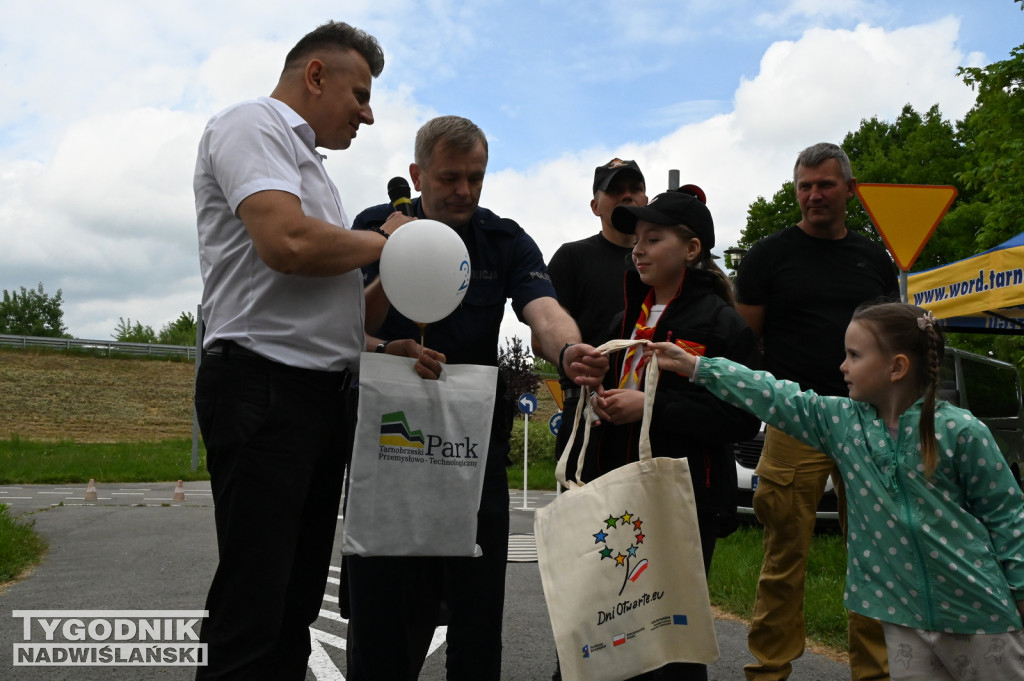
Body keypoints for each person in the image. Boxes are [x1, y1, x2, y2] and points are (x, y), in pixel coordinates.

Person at [192, 21, 443, 680]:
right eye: (359, 93)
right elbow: (289, 245)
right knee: (253, 607)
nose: (367, 112)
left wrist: (384, 343)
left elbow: (323, 311)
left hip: (313, 396)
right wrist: (393, 241)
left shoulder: (313, 170)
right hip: (263, 388)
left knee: (294, 604)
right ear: (315, 75)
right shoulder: (253, 126)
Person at [344, 115, 606, 681]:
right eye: (449, 178)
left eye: (476, 177)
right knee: (381, 611)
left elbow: (545, 313)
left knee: (477, 611)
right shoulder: (372, 226)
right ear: (417, 174)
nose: (464, 191)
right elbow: (340, 328)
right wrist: (396, 262)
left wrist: (569, 353)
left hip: (472, 452)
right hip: (387, 448)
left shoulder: (504, 240)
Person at [650, 301, 1024, 681]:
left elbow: (1007, 513)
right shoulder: (842, 423)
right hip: (900, 618)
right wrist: (699, 367)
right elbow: (776, 396)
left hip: (978, 613)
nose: (842, 366)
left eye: (854, 355)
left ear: (897, 367)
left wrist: (1021, 588)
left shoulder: (960, 431)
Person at [566, 190, 761, 680]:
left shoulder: (722, 323)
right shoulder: (623, 318)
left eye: (654, 238)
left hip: (684, 501)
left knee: (668, 640)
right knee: (605, 626)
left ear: (692, 250)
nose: (638, 249)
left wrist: (651, 407)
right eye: (636, 240)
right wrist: (599, 395)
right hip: (618, 496)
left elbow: (740, 417)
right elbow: (618, 396)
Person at [732, 142, 897, 681]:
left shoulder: (873, 258)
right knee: (784, 554)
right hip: (796, 419)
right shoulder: (768, 256)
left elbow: (894, 340)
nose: (813, 195)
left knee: (875, 555)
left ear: (849, 190)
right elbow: (742, 342)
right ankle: (770, 669)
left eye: (825, 184)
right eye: (804, 185)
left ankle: (873, 672)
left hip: (868, 420)